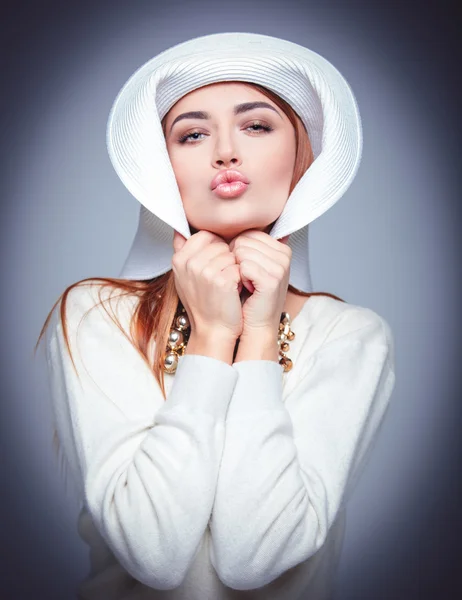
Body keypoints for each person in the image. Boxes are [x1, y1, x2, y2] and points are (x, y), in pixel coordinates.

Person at [35, 32, 396, 599]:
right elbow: (152, 552)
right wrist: (214, 333)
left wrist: (256, 333)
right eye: (193, 134)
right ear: (161, 168)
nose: (224, 151)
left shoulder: (350, 337)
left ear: (302, 160)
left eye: (256, 126)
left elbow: (256, 557)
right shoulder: (99, 313)